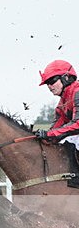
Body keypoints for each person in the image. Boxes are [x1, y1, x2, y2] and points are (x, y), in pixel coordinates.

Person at [37, 59, 79, 188]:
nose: (49, 86)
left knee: (72, 140)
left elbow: (77, 123)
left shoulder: (77, 92)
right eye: (47, 84)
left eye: (52, 81)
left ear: (66, 77)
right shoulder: (63, 101)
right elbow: (57, 126)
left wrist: (51, 134)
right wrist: (43, 136)